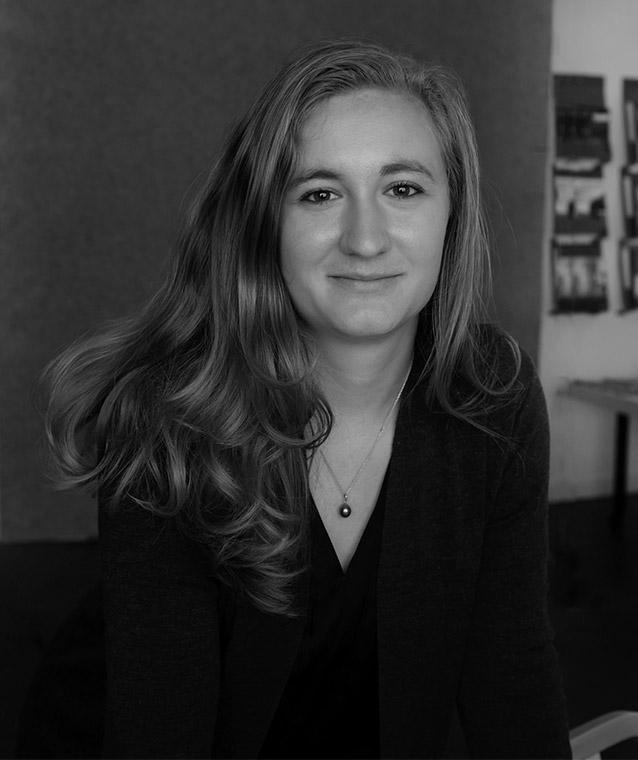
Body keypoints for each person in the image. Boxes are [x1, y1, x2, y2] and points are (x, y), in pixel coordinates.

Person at [42, 39, 572, 758]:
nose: (365, 239)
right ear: (266, 223)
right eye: (320, 194)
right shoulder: (167, 419)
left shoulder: (494, 395)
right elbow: (159, 730)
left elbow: (511, 670)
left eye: (403, 189)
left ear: (453, 213)